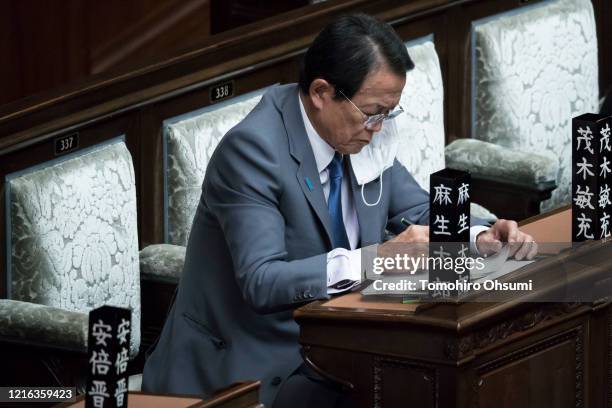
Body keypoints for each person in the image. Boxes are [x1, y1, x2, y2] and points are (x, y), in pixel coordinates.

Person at [142, 13, 537, 407]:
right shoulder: (253, 150)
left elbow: (416, 207)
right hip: (249, 365)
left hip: (340, 341)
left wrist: (479, 234)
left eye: (387, 113)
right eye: (371, 113)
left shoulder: (360, 132)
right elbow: (262, 281)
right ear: (320, 93)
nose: (378, 128)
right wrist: (378, 261)